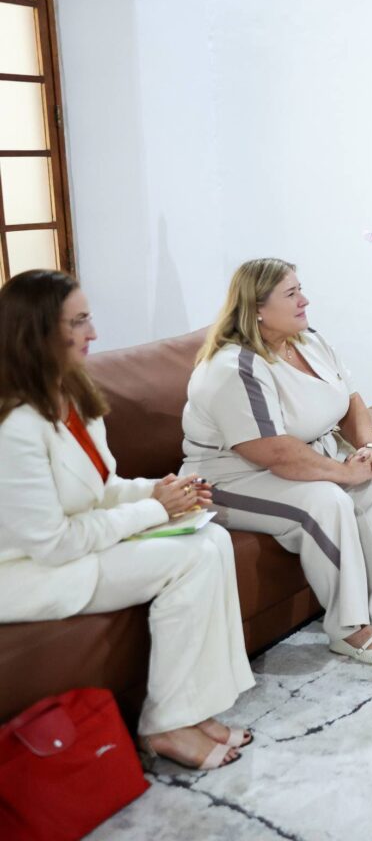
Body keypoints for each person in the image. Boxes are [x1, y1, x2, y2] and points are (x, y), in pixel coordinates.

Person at [0, 270, 254, 771]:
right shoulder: (13, 426)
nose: (93, 333)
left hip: (75, 546)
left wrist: (162, 491)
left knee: (213, 541)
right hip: (29, 573)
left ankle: (195, 709)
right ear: (36, 334)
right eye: (79, 322)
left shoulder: (71, 397)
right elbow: (53, 543)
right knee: (190, 559)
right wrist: (155, 510)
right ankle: (165, 725)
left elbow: (102, 487)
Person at [182, 258, 372, 665]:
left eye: (300, 289)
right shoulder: (236, 367)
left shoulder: (309, 341)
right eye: (291, 294)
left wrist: (368, 450)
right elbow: (273, 452)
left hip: (300, 460)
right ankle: (349, 628)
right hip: (230, 481)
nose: (305, 300)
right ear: (257, 309)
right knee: (327, 502)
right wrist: (342, 473)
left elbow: (351, 398)